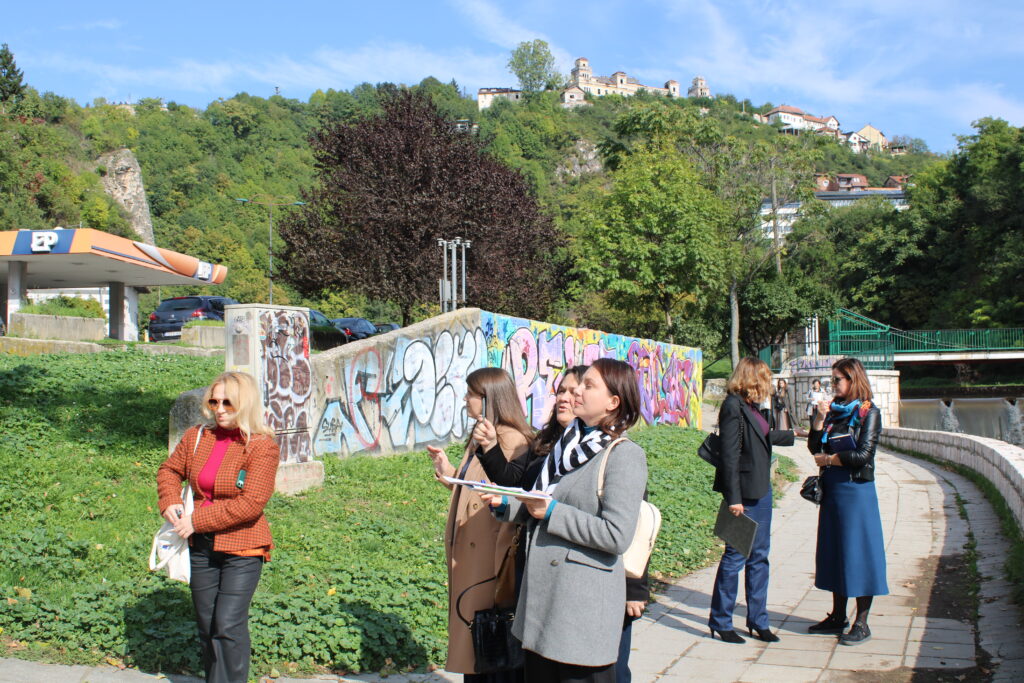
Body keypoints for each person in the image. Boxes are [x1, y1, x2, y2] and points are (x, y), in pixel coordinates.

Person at [474, 365, 649, 683]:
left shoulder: (624, 456)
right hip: (543, 604)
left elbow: (616, 534)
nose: (577, 391)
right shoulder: (567, 447)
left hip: (580, 612)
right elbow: (543, 502)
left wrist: (553, 511)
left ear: (612, 402)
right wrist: (508, 505)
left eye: (588, 385)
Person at [156, 371, 280, 683]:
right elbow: (170, 470)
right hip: (200, 546)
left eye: (228, 402)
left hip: (243, 546)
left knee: (227, 624)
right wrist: (170, 498)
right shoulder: (198, 436)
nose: (220, 408)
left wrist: (195, 520)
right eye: (214, 401)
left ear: (246, 404)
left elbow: (251, 503)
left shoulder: (261, 446)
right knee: (207, 623)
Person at [425, 367, 533, 681]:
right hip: (473, 551)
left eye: (471, 394)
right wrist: (447, 471)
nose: (465, 399)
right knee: (476, 640)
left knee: (487, 638)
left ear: (489, 399)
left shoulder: (512, 439)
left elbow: (507, 491)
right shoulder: (483, 435)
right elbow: (474, 487)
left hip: (490, 557)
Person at [708, 358, 794, 644]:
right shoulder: (733, 406)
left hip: (762, 490)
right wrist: (734, 498)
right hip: (743, 495)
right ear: (754, 378)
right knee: (735, 557)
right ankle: (721, 621)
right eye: (765, 378)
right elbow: (730, 455)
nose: (769, 383)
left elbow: (764, 437)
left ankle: (759, 620)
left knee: (760, 557)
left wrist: (797, 434)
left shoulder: (753, 407)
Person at [807, 357, 888, 645]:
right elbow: (814, 446)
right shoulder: (833, 412)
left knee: (860, 554)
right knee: (834, 552)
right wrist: (818, 419)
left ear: (853, 380)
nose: (833, 385)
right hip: (833, 491)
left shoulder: (868, 413)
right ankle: (838, 616)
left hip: (856, 492)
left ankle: (862, 622)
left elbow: (864, 455)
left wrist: (830, 459)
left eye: (837, 380)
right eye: (832, 380)